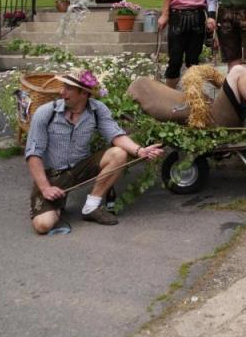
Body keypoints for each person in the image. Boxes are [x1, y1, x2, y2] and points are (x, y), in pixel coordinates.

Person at [24, 70, 164, 234]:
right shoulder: (45, 113)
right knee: (43, 225)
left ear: (84, 93)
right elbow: (33, 154)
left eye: (69, 88)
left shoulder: (97, 109)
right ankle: (56, 207)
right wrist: (45, 188)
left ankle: (91, 207)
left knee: (118, 153)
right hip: (52, 176)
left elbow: (116, 135)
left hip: (80, 168)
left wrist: (140, 151)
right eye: (64, 87)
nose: (62, 92)